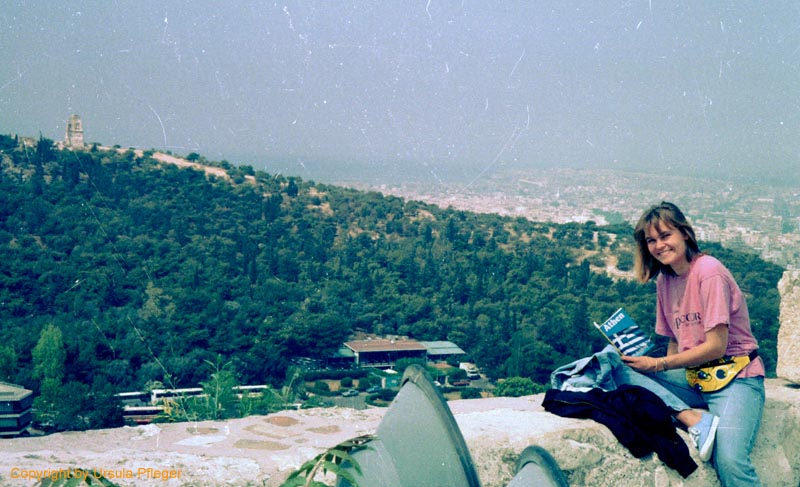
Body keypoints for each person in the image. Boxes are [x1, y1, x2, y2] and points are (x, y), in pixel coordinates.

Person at [619, 201, 765, 487]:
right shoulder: (665, 281)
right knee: (616, 368)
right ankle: (692, 419)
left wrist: (659, 365)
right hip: (694, 379)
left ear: (684, 233)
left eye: (665, 235)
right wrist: (660, 371)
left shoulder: (708, 271)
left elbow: (716, 346)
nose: (659, 245)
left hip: (736, 377)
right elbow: (676, 339)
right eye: (651, 240)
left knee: (730, 460)